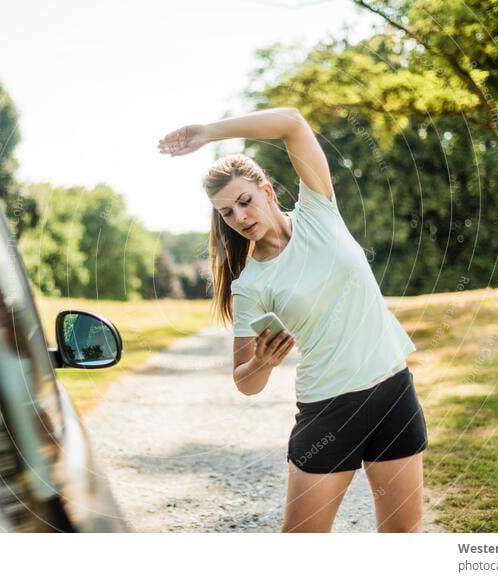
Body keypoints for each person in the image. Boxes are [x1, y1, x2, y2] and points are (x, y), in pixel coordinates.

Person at [158, 108, 428, 533]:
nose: (240, 217)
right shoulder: (251, 284)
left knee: (403, 537)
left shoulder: (319, 210)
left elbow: (291, 122)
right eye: (227, 213)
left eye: (244, 201)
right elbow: (246, 381)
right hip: (329, 411)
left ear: (267, 191)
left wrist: (209, 133)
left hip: (393, 391)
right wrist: (263, 361)